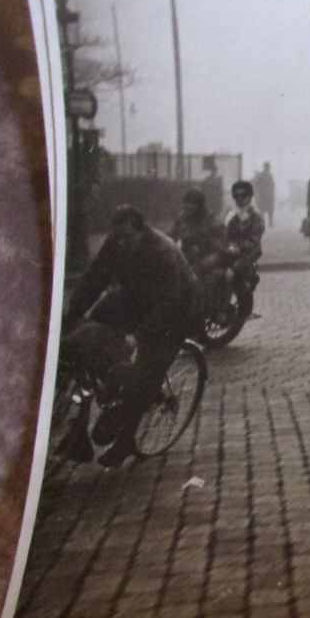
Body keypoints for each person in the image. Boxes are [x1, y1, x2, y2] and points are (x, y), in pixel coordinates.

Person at [61, 205, 201, 467]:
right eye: (118, 237)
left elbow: (169, 302)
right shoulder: (116, 243)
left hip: (176, 310)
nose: (122, 243)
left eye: (128, 238)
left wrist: (138, 336)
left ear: (141, 230)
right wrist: (73, 314)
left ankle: (125, 440)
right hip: (137, 297)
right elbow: (95, 278)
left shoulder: (162, 252)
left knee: (145, 371)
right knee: (84, 340)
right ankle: (79, 432)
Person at [169, 188, 226, 282]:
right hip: (187, 263)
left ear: (200, 205)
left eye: (192, 203)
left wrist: (200, 267)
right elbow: (170, 240)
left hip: (208, 266)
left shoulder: (212, 222)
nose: (188, 206)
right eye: (186, 202)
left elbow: (220, 252)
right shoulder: (181, 219)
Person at [223, 179, 267, 282]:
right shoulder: (230, 214)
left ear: (250, 196)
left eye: (243, 195)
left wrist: (236, 247)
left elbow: (253, 240)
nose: (239, 198)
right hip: (229, 252)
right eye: (236, 196)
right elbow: (223, 234)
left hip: (248, 254)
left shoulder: (256, 216)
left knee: (241, 278)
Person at [253, 161, 277, 228]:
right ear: (264, 167)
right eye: (267, 167)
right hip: (262, 196)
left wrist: (272, 192)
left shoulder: (270, 175)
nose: (268, 168)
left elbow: (272, 184)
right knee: (262, 211)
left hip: (269, 196)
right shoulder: (261, 175)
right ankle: (262, 223)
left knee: (271, 210)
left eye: (268, 167)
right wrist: (261, 190)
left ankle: (270, 223)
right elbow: (256, 184)